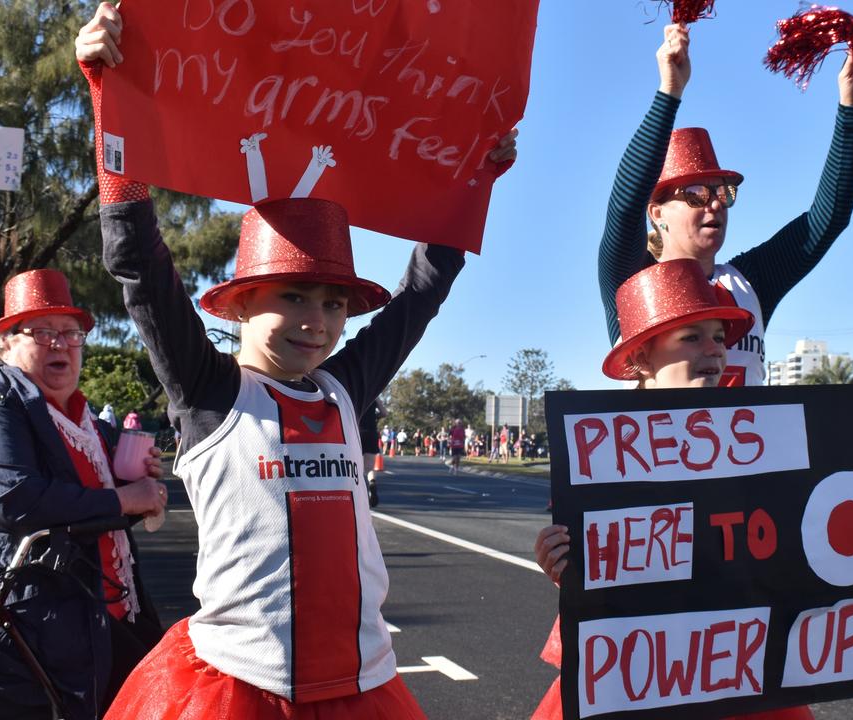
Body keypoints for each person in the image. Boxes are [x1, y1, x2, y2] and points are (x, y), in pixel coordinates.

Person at [76, 5, 516, 717]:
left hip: (366, 684)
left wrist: (477, 179)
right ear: (242, 303)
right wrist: (107, 96)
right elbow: (136, 262)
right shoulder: (208, 391)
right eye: (293, 297)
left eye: (335, 303)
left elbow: (422, 293)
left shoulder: (345, 389)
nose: (318, 322)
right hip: (239, 688)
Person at [532, 260, 853, 720]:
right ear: (643, 358)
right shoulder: (602, 454)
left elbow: (792, 546)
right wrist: (562, 563)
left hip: (738, 675)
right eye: (692, 337)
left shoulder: (758, 445)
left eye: (718, 337)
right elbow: (602, 572)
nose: (714, 350)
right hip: (640, 674)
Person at [0, 269, 168, 720]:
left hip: (85, 613)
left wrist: (131, 477)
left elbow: (85, 506)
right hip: (10, 628)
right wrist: (127, 500)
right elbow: (15, 499)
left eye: (72, 334)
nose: (61, 344)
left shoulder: (84, 419)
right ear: (5, 343)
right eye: (42, 332)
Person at [599, 24, 853, 387]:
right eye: (696, 194)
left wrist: (852, 113)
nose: (715, 203)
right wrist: (669, 93)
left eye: (724, 193)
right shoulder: (633, 280)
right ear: (657, 213)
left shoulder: (750, 282)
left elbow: (829, 217)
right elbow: (624, 206)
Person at [360, 398, 385, 507]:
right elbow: (384, 413)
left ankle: (360, 495)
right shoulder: (374, 397)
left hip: (358, 432)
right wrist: (375, 417)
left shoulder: (355, 394)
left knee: (357, 467)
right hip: (372, 433)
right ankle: (372, 482)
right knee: (369, 468)